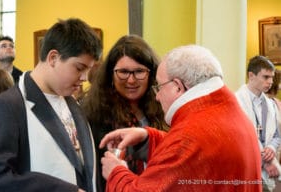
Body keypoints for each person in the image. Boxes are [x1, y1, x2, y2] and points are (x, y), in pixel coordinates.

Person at [99, 45, 262, 191]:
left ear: (178, 86)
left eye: (159, 87)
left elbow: (187, 149)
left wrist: (116, 172)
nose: (157, 97)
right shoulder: (227, 108)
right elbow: (201, 155)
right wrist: (148, 139)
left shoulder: (190, 135)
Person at [0, 18, 102, 192]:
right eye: (79, 68)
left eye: (88, 70)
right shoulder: (7, 106)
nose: (84, 77)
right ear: (53, 57)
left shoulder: (73, 104)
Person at [82, 35, 168, 191]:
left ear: (152, 74)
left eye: (139, 71)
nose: (131, 80)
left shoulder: (165, 107)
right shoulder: (93, 113)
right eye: (123, 72)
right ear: (110, 74)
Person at [236, 55, 281, 192]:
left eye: (272, 78)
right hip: (245, 166)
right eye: (266, 77)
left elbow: (277, 134)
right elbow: (240, 137)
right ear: (251, 75)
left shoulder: (271, 104)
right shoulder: (236, 102)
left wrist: (271, 149)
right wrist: (266, 161)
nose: (270, 82)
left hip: (268, 166)